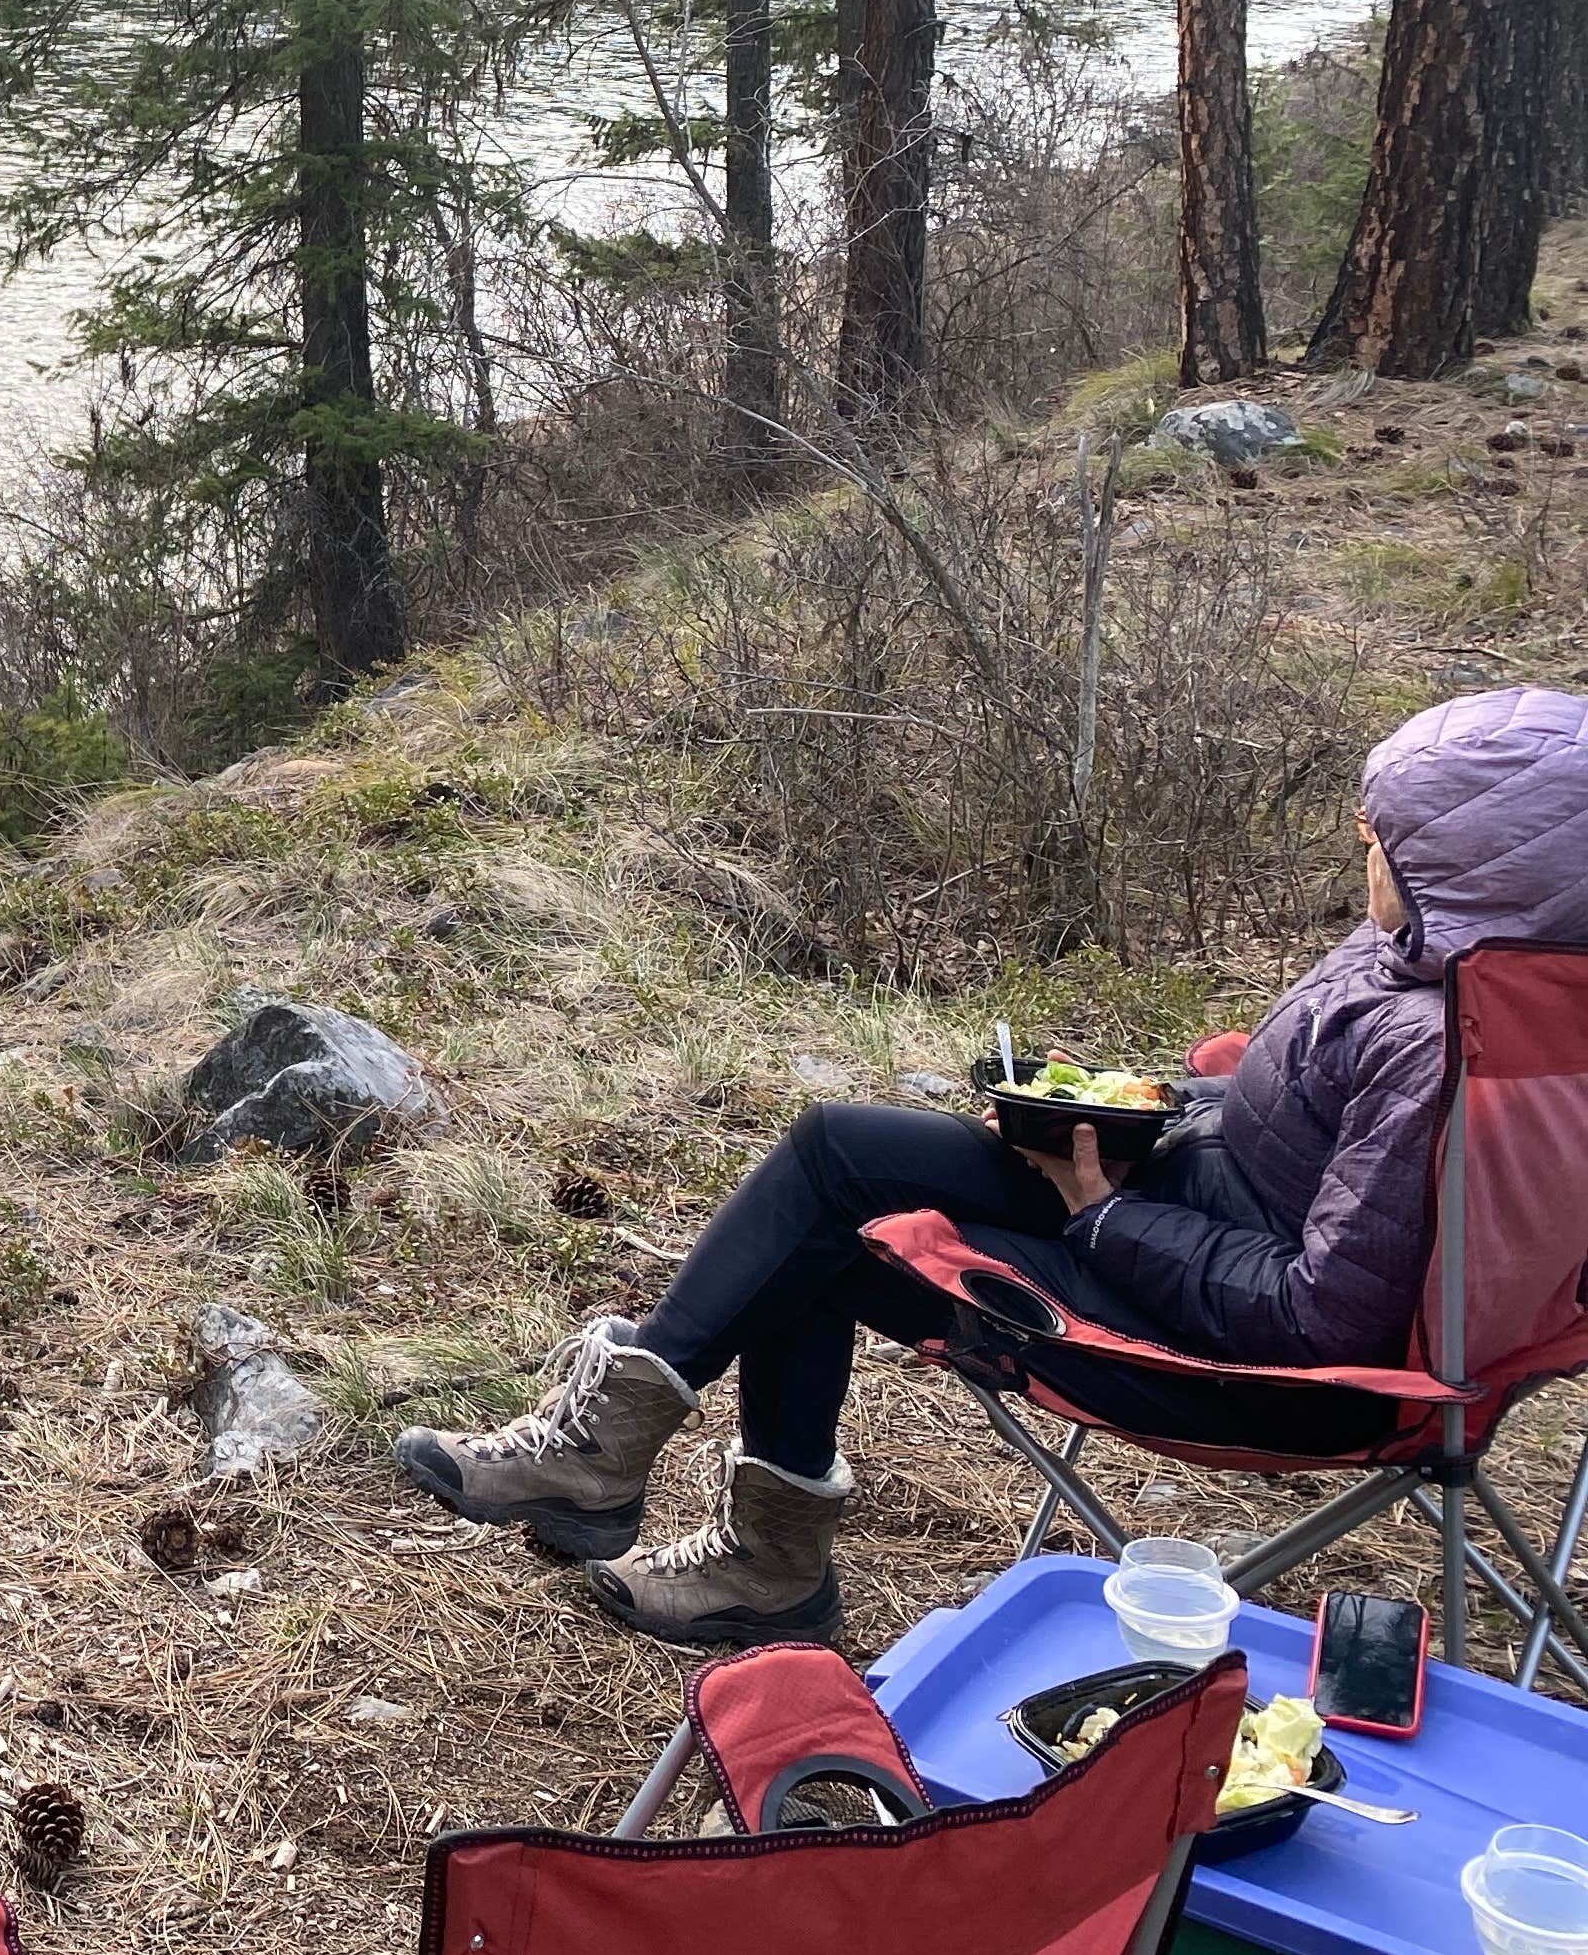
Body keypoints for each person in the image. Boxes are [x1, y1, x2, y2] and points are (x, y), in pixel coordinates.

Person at [395, 683, 1588, 1647]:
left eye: (1380, 841)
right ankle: (630, 1476)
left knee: (829, 1241)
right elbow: (1302, 1119)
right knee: (836, 1148)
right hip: (1189, 1200)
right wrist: (1145, 1111)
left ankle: (708, 1534)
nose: (1362, 853)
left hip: (1241, 1357)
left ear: (1477, 872)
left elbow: (1320, 1318)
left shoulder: (1441, 1047)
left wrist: (1103, 1216)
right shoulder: (1454, 968)